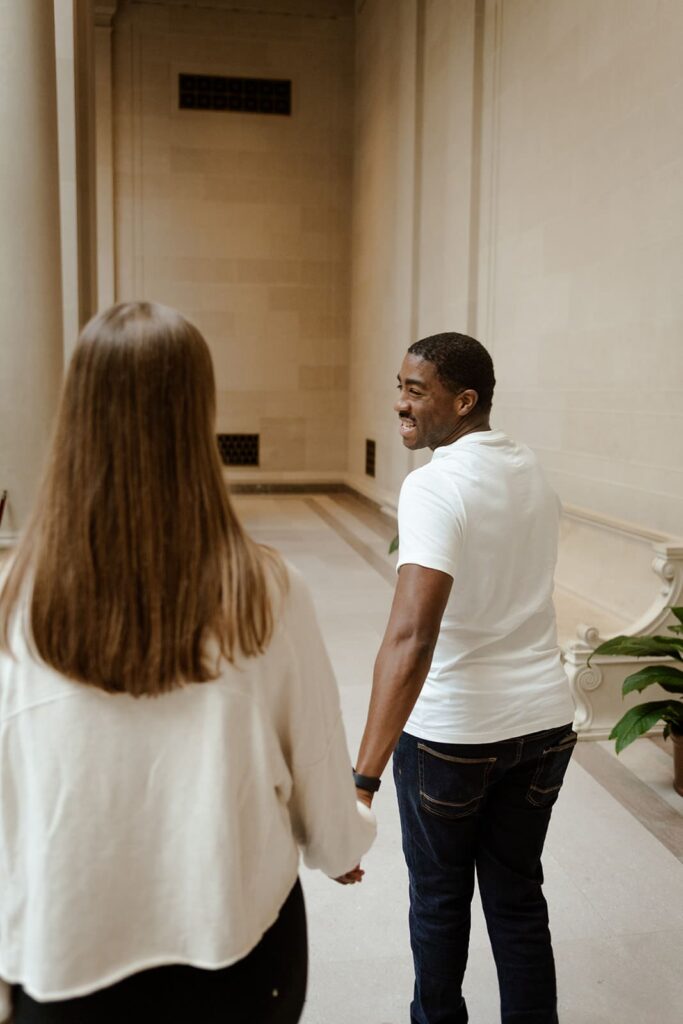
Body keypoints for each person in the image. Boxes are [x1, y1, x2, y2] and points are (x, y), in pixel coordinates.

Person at [0, 302, 375, 1024]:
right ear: (198, 415)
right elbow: (317, 755)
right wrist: (338, 842)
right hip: (233, 950)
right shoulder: (263, 590)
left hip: (65, 947)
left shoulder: (17, 601)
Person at [352, 333, 576, 1024]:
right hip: (542, 724)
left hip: (454, 734)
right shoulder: (530, 469)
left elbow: (411, 635)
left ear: (464, 400)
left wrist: (361, 778)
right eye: (399, 386)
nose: (399, 403)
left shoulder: (433, 485)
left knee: (440, 899)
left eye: (415, 391)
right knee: (516, 898)